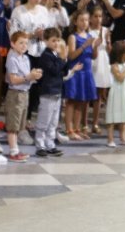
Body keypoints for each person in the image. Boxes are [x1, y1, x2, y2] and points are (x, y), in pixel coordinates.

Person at [36, 28, 78, 156]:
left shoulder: (56, 55)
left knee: (53, 122)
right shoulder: (45, 55)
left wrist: (65, 60)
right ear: (45, 41)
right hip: (48, 92)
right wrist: (61, 59)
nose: (56, 43)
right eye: (53, 41)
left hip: (57, 92)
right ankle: (40, 145)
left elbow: (63, 72)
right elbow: (54, 70)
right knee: (44, 121)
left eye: (58, 40)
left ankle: (50, 144)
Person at [4, 30, 42, 162]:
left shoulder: (25, 58)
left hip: (25, 93)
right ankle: (13, 151)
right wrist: (28, 77)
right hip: (15, 94)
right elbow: (14, 79)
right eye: (20, 43)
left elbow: (27, 76)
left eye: (26, 43)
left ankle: (16, 149)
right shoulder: (12, 58)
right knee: (13, 125)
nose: (24, 46)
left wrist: (34, 75)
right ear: (13, 44)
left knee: (20, 124)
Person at [64, 8, 98, 139]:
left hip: (87, 72)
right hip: (76, 72)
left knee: (81, 102)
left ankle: (77, 129)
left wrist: (95, 46)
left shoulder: (89, 37)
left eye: (87, 20)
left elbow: (93, 56)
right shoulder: (73, 37)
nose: (84, 23)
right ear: (76, 21)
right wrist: (84, 46)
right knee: (71, 101)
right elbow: (71, 56)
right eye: (82, 20)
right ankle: (69, 130)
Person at [105, 41, 125, 147]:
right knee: (113, 116)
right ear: (120, 54)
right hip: (117, 92)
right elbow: (120, 79)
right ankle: (110, 139)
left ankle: (123, 138)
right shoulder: (115, 66)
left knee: (123, 116)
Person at [88, 5, 112, 131]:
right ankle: (84, 123)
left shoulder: (106, 30)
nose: (98, 19)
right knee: (87, 95)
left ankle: (95, 123)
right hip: (91, 61)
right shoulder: (88, 31)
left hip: (103, 61)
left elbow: (109, 50)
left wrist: (108, 42)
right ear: (90, 18)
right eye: (95, 16)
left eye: (100, 16)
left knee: (99, 95)